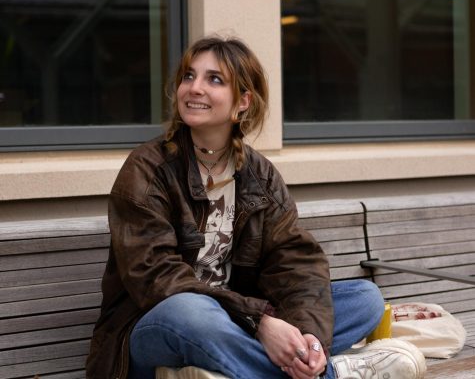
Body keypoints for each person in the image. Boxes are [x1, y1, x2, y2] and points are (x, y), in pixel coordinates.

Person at [86, 35, 426, 379]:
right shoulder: (148, 168)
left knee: (363, 298)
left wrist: (306, 333)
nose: (194, 88)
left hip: (237, 320)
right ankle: (332, 374)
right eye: (189, 76)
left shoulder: (258, 174)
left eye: (213, 79)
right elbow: (156, 278)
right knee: (191, 313)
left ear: (242, 102)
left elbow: (295, 260)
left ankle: (222, 369)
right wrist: (260, 321)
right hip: (155, 329)